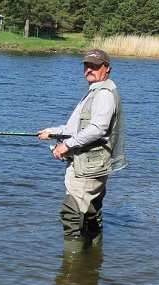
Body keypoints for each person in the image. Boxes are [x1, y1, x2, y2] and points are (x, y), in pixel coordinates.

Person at [38, 49, 126, 251]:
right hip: (93, 164)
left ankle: (71, 270)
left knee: (72, 215)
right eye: (87, 65)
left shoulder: (104, 93)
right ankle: (94, 261)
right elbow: (80, 128)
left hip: (88, 166)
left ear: (107, 68)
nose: (89, 69)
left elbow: (98, 129)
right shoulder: (96, 90)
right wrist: (54, 132)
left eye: (95, 66)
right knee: (91, 213)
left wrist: (66, 144)